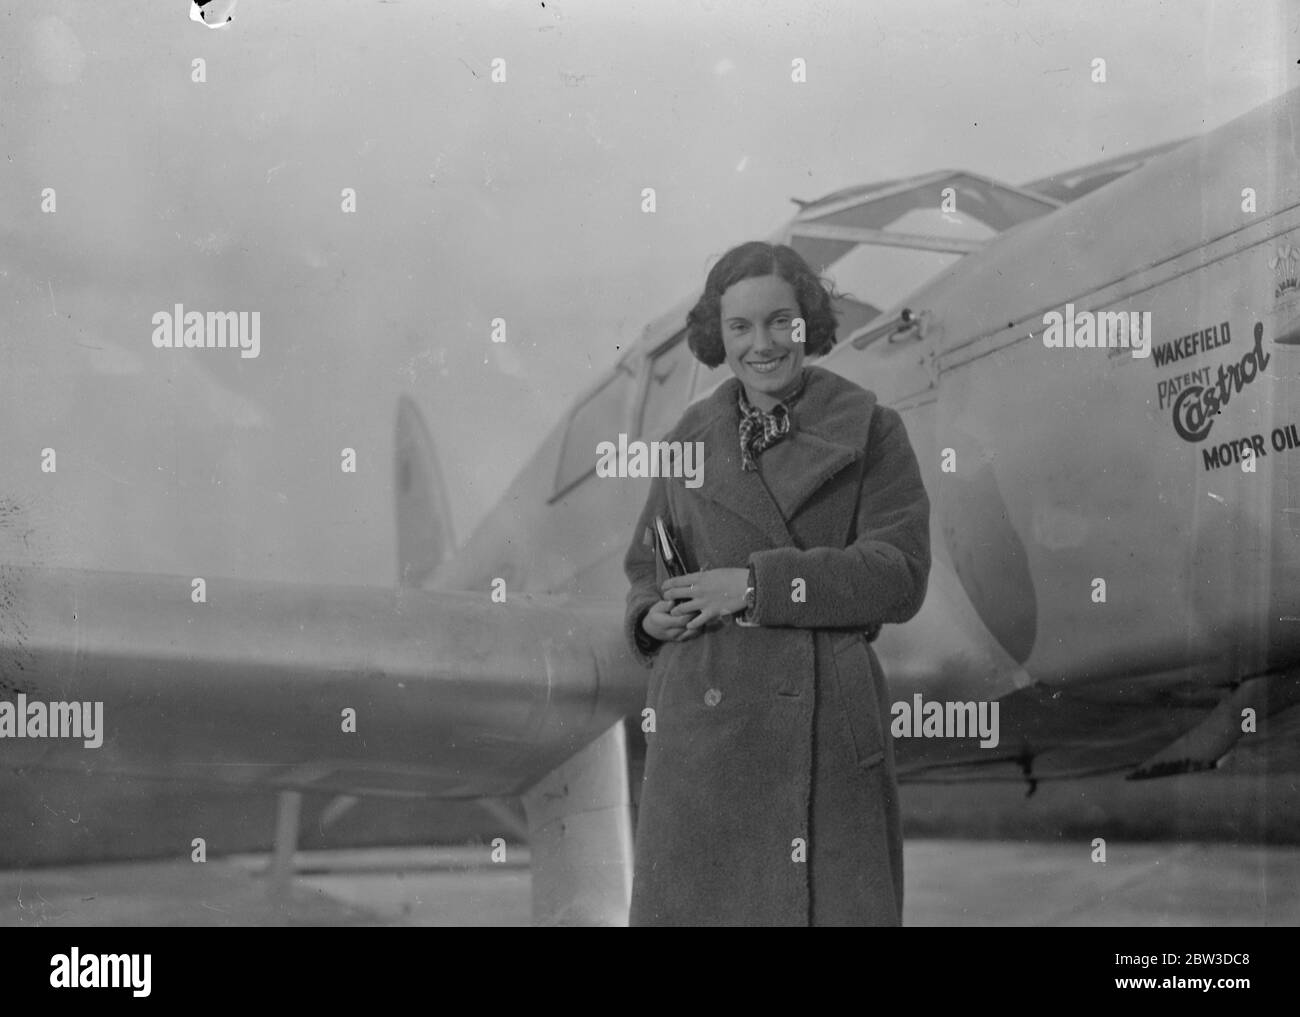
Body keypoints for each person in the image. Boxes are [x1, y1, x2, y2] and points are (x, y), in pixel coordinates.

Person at [622, 240, 931, 926]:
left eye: (780, 321)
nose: (762, 344)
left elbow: (900, 576)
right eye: (740, 327)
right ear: (718, 336)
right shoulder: (687, 442)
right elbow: (647, 565)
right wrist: (650, 618)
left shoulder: (873, 431)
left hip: (823, 733)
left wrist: (756, 587)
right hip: (704, 740)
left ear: (807, 323)